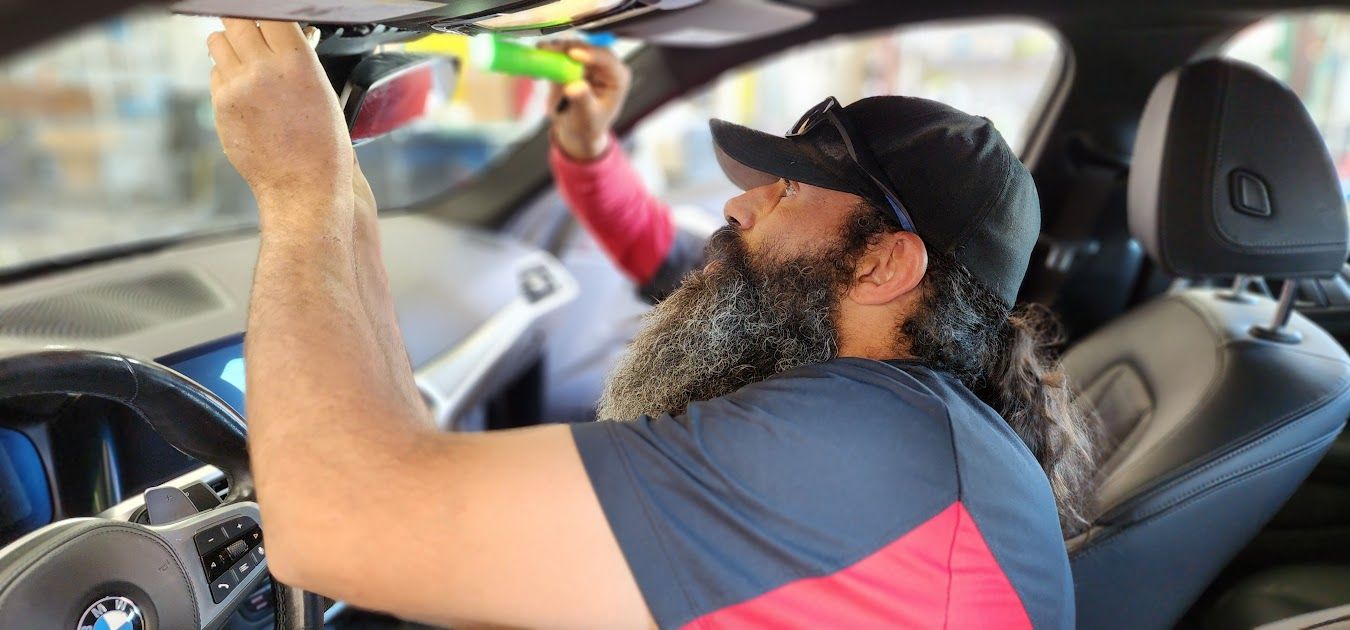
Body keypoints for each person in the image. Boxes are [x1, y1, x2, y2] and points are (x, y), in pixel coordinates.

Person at [206, 19, 1095, 629]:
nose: (742, 203)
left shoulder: (867, 449)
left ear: (883, 265)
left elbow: (336, 521)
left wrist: (299, 191)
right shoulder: (912, 432)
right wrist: (340, 190)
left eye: (788, 190)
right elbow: (679, 266)